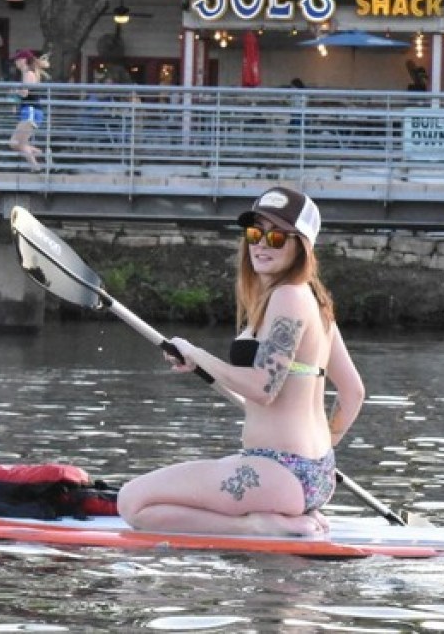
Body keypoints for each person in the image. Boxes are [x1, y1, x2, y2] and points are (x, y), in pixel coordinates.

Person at [117, 186, 366, 537]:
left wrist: (198, 354)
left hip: (278, 471)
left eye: (277, 236)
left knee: (132, 503)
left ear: (301, 246)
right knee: (147, 501)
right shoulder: (315, 302)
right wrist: (319, 454)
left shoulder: (288, 297)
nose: (262, 244)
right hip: (313, 475)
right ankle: (284, 517)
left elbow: (264, 388)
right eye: (255, 233)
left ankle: (259, 525)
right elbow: (353, 392)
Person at [8, 49, 49, 171]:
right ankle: (44, 156)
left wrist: (14, 92)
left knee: (17, 143)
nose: (16, 62)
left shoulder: (28, 74)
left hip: (31, 111)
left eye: (17, 59)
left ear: (24, 60)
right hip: (29, 110)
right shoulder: (28, 73)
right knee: (15, 144)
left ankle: (36, 168)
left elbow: (25, 93)